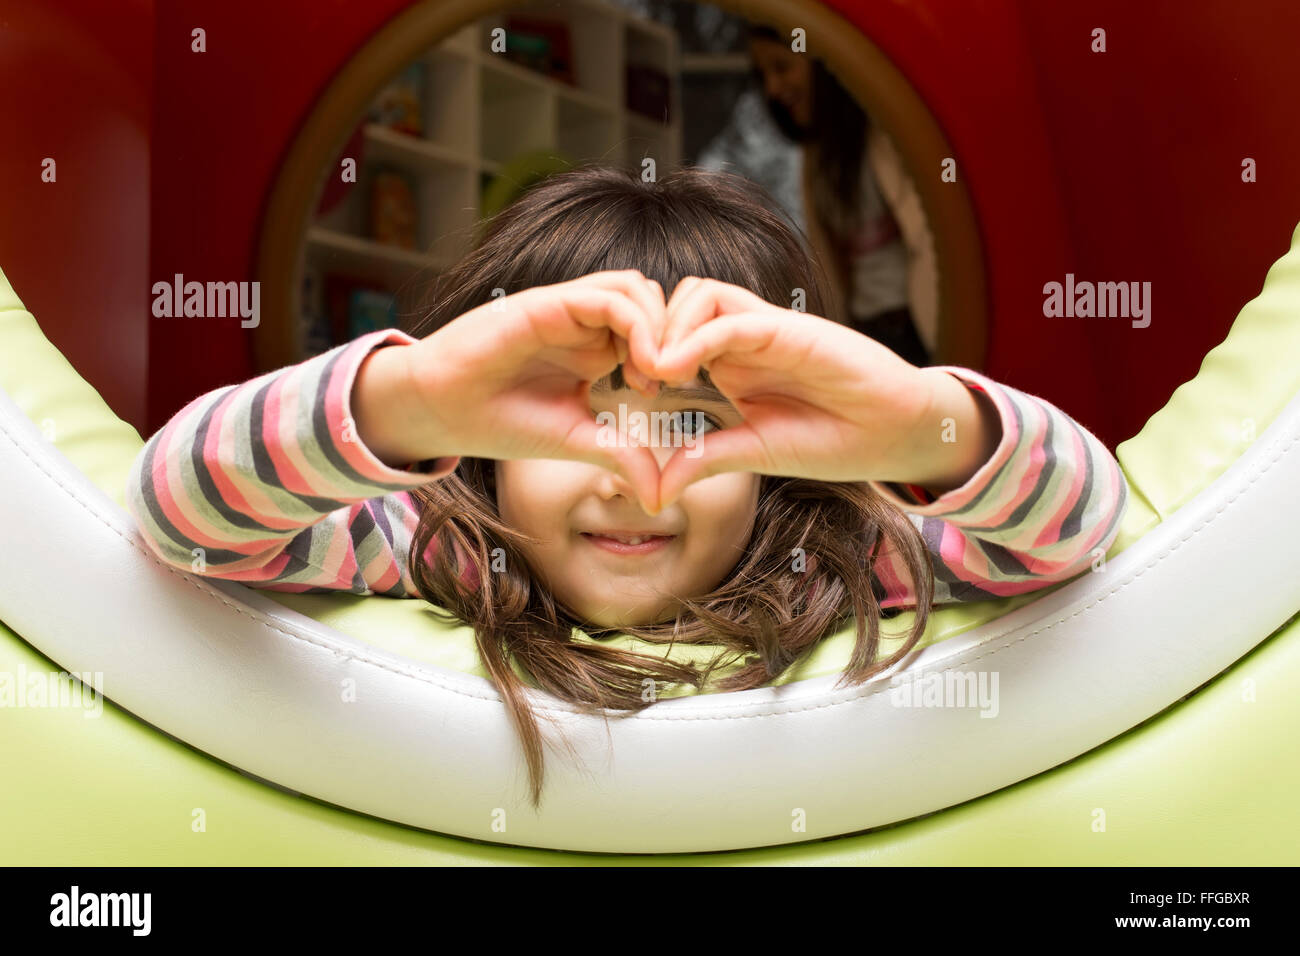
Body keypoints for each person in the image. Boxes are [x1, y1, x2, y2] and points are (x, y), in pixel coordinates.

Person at [126, 165, 1128, 810]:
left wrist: (920, 426)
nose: (635, 479)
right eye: (573, 423)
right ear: (481, 447)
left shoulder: (832, 553)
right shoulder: (438, 538)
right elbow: (183, 511)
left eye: (696, 423)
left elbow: (1080, 525)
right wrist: (410, 400)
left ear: (779, 462)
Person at [748, 22, 937, 367]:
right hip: (869, 337)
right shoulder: (817, 156)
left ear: (821, 61)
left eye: (782, 67)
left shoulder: (887, 134)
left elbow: (927, 241)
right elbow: (830, 267)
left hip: (923, 332)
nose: (773, 88)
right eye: (763, 76)